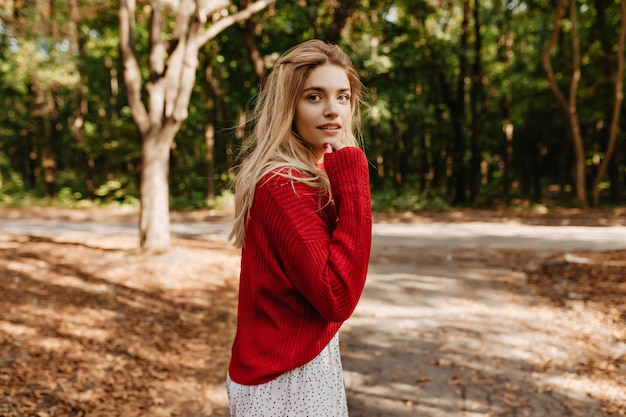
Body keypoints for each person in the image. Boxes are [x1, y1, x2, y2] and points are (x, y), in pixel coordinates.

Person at [226, 39, 372, 417]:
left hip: (302, 368)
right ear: (287, 106)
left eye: (342, 96)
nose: (332, 110)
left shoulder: (311, 174)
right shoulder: (283, 184)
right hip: (284, 383)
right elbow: (336, 294)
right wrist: (354, 181)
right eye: (314, 97)